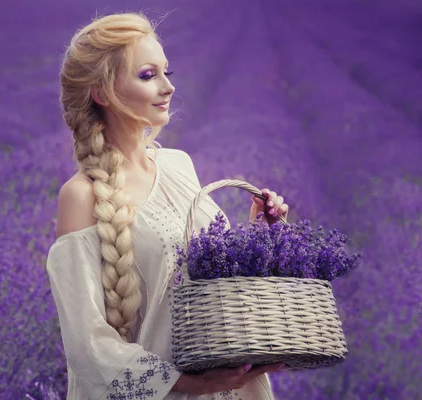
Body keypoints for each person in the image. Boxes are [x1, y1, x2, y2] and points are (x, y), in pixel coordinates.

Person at [46, 11, 289, 400]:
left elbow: (204, 279)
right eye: (147, 75)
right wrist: (190, 384)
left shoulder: (178, 164)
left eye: (167, 73)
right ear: (101, 92)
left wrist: (259, 235)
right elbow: (87, 347)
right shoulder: (82, 196)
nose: (167, 87)